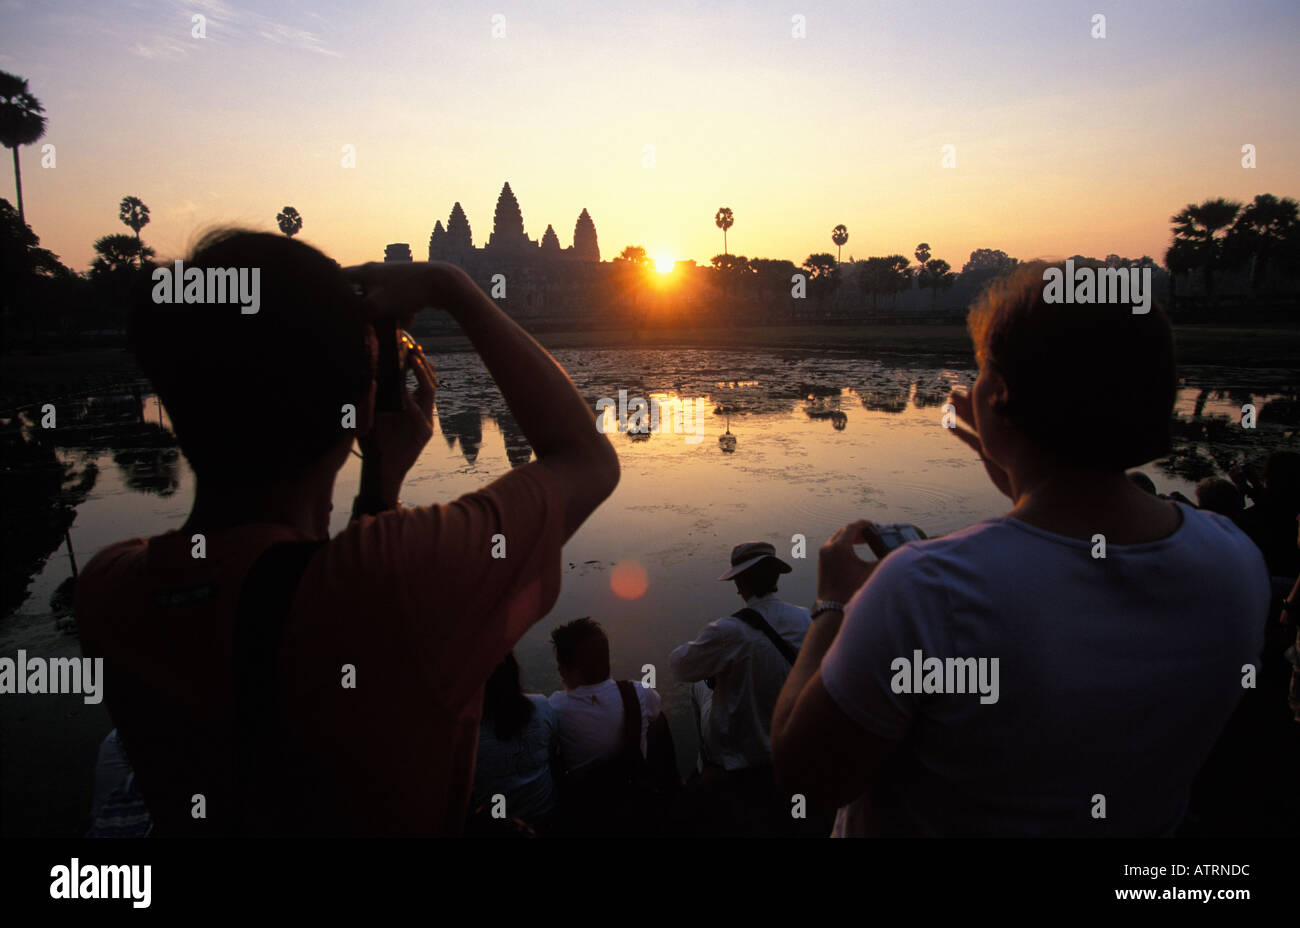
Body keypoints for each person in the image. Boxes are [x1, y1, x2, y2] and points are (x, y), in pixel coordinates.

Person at [74, 231, 619, 836]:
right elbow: (587, 461)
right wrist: (452, 289)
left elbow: (289, 592)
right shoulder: (395, 579)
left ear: (171, 402)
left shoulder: (108, 591)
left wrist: (379, 485)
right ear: (364, 400)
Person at [772, 260, 1270, 837]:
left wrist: (834, 607)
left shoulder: (927, 591)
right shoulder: (1234, 559)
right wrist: (1017, 467)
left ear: (1001, 393)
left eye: (982, 370)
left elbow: (804, 778)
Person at [669, 542, 810, 774]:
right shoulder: (807, 619)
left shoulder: (727, 631)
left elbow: (678, 667)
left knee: (697, 686)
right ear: (776, 577)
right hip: (791, 743)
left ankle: (706, 764)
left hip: (744, 756)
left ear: (740, 583)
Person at [470, 652, 559, 831]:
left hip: (496, 824)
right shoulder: (541, 706)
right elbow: (552, 752)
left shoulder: (470, 733)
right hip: (546, 817)